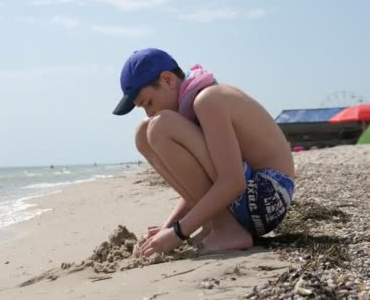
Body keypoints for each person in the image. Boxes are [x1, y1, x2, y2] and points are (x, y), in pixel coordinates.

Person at [112, 48, 295, 256]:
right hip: (250, 199)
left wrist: (179, 233)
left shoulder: (208, 100)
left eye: (149, 102)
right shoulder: (192, 104)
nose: (149, 112)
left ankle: (226, 229)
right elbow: (201, 183)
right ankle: (216, 226)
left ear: (168, 80)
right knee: (143, 133)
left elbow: (232, 181)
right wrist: (169, 228)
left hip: (269, 196)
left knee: (160, 126)